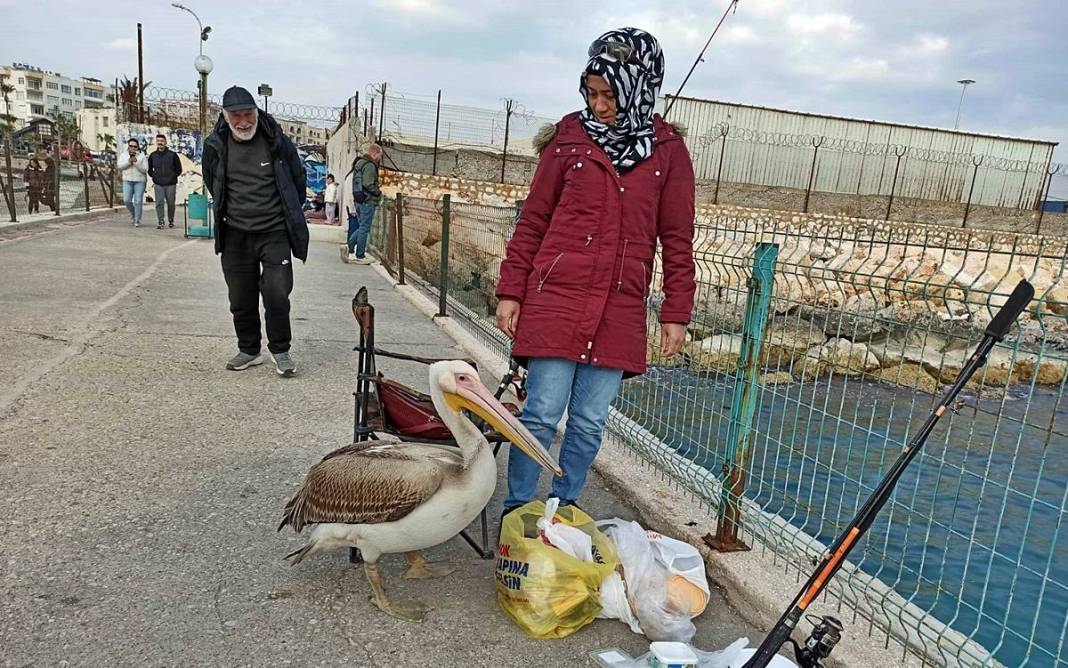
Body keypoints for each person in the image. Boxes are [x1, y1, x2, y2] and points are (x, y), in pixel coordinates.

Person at [494, 28, 696, 520]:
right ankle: (519, 510)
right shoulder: (567, 138)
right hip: (556, 297)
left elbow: (677, 238)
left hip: (621, 305)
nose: (599, 105)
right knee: (540, 414)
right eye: (591, 92)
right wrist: (511, 290)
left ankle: (564, 510)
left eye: (609, 94)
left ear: (639, 87)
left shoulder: (667, 152)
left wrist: (676, 312)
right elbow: (534, 219)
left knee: (588, 421)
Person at [202, 85, 309, 377]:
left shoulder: (276, 141)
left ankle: (281, 350)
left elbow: (297, 182)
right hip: (235, 233)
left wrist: (286, 212)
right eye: (236, 116)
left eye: (248, 114)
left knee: (276, 293)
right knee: (240, 296)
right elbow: (214, 183)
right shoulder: (216, 145)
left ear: (257, 112)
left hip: (274, 232)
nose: (244, 122)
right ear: (225, 116)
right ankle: (249, 350)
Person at [341, 143, 382, 265]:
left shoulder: (359, 164)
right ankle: (360, 255)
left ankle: (348, 246)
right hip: (367, 200)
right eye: (380, 155)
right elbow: (368, 184)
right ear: (374, 154)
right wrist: (378, 192)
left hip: (359, 200)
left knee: (361, 227)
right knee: (365, 227)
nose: (380, 158)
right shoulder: (369, 165)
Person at [147, 133, 183, 230]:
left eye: (162, 141)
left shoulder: (173, 155)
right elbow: (149, 168)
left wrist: (172, 177)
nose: (160, 143)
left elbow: (179, 169)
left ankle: (171, 220)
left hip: (171, 184)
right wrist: (154, 176)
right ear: (156, 142)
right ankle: (161, 221)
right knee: (159, 203)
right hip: (158, 183)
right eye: (158, 141)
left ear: (165, 142)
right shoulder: (153, 155)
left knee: (171, 203)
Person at [119, 138, 149, 227]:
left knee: (138, 200)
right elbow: (120, 167)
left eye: (135, 146)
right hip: (127, 180)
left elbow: (145, 170)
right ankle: (134, 214)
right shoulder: (123, 155)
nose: (133, 148)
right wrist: (128, 162)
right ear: (128, 146)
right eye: (131, 146)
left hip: (140, 181)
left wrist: (136, 163)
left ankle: (137, 220)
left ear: (138, 147)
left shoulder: (142, 156)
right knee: (127, 200)